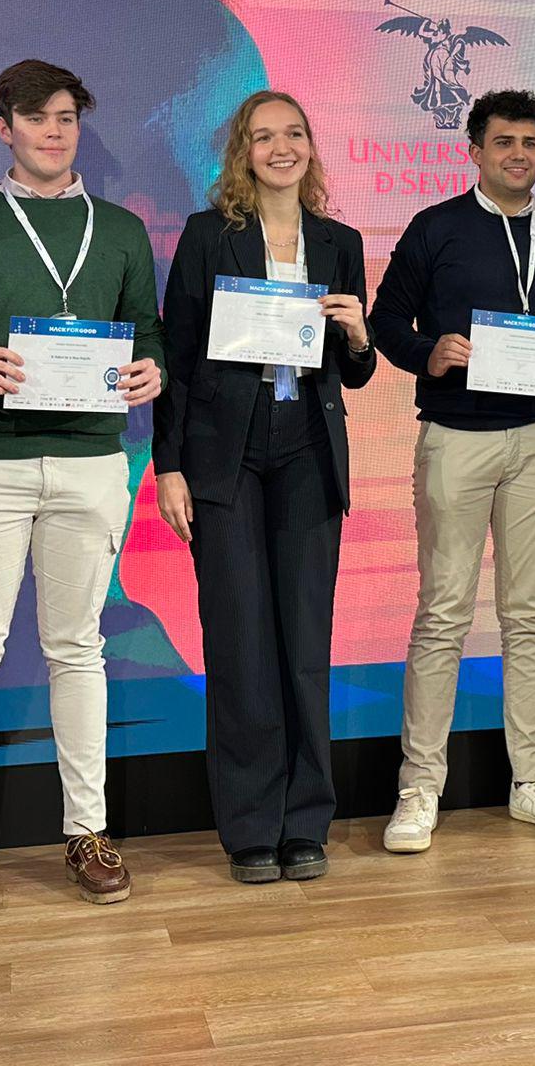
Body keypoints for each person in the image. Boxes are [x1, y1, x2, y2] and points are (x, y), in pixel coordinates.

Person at [0, 59, 166, 922]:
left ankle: (87, 832)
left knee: (78, 646)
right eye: (36, 118)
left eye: (66, 118)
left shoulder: (119, 229)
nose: (54, 132)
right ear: (3, 127)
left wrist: (152, 370)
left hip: (91, 458)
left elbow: (148, 332)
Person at [152, 90, 376, 882]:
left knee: (305, 643)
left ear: (311, 146)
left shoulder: (340, 242)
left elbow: (353, 370)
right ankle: (251, 827)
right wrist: (169, 465)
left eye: (294, 134)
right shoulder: (209, 235)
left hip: (309, 448)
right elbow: (179, 357)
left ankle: (305, 821)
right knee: (240, 640)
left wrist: (358, 335)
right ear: (241, 152)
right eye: (263, 136)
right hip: (228, 455)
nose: (282, 148)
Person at [370, 90, 535, 853]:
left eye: (530, 143)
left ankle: (533, 781)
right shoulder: (435, 228)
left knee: (530, 614)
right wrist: (427, 352)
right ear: (474, 150)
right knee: (443, 612)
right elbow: (384, 322)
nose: (518, 155)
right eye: (504, 142)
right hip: (457, 436)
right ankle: (419, 787)